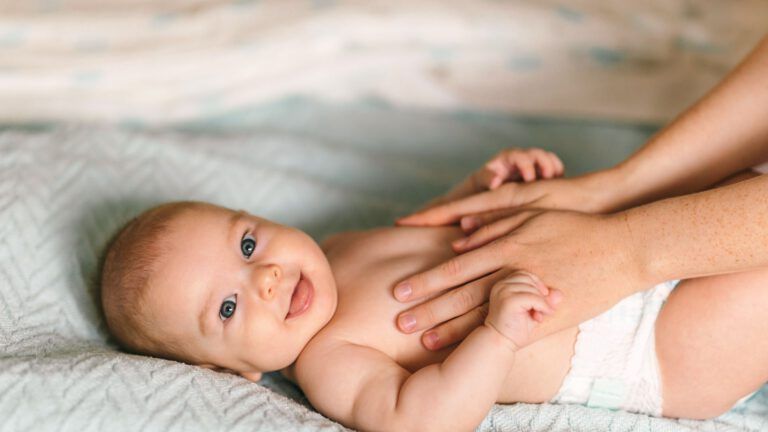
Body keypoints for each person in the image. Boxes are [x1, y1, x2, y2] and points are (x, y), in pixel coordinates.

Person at [101, 187, 767, 431]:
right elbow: (424, 418)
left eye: (248, 244)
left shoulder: (340, 246)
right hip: (646, 347)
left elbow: (447, 232)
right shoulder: (330, 364)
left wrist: (493, 187)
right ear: (231, 372)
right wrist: (497, 338)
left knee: (743, 195)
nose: (268, 277)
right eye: (227, 306)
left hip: (619, 252)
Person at [393, 34, 768, 353]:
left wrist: (624, 249)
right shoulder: (335, 347)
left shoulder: (334, 276)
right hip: (649, 341)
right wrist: (619, 189)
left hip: (636, 337)